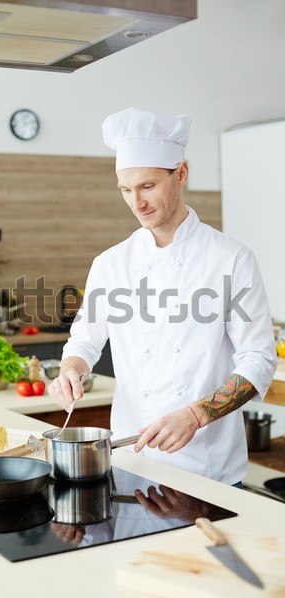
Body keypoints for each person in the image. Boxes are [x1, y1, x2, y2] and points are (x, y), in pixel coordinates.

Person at [48, 107, 277, 485]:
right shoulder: (110, 264)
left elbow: (259, 361)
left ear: (181, 174)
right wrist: (71, 369)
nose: (136, 202)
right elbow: (84, 342)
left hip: (209, 469)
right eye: (126, 189)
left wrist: (196, 415)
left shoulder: (231, 259)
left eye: (148, 186)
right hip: (131, 461)